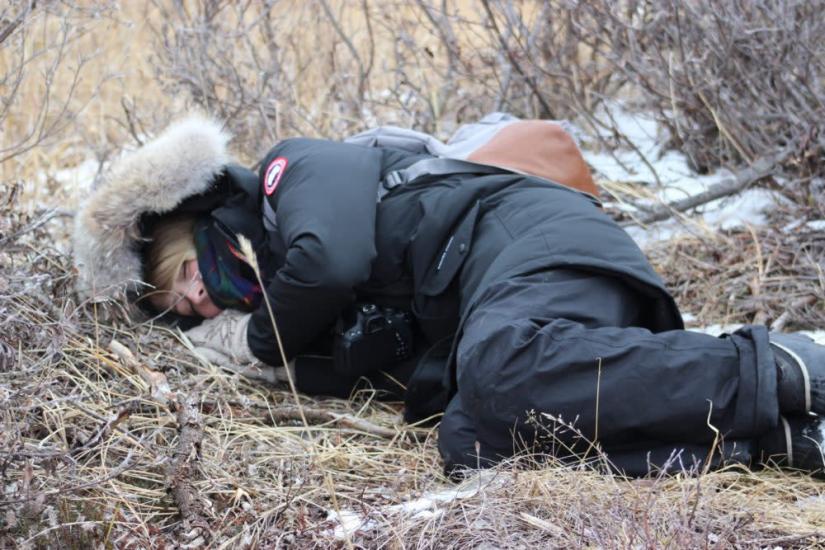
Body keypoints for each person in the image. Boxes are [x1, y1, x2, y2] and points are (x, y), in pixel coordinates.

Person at [73, 113, 825, 478]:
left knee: (500, 365)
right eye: (189, 311)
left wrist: (258, 346)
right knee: (471, 445)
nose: (203, 301)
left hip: (534, 240)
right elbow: (368, 365)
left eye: (187, 277)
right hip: (525, 313)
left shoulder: (293, 171)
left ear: (199, 226)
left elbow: (332, 260)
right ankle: (764, 445)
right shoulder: (296, 305)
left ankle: (792, 369)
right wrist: (300, 365)